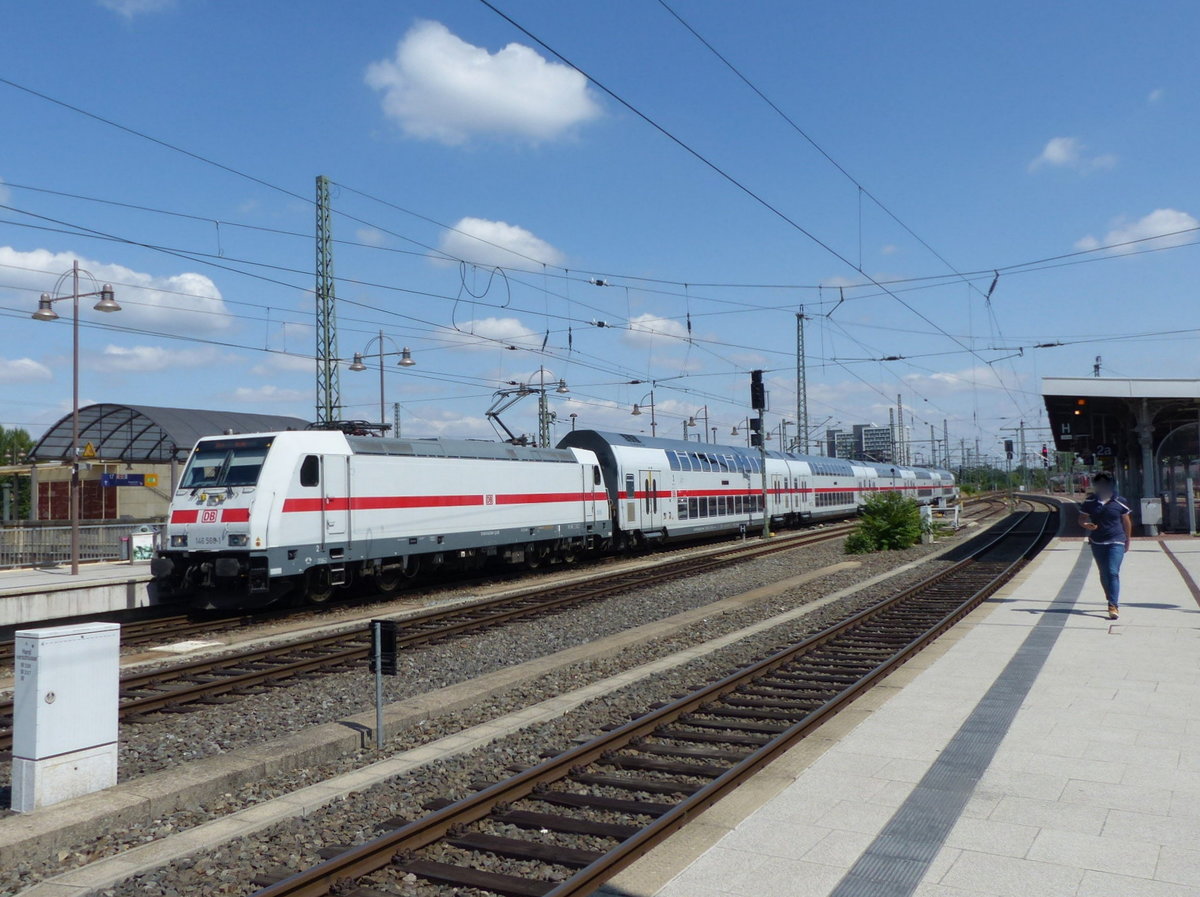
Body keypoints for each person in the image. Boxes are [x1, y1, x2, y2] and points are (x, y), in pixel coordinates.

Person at [1078, 472, 1133, 619]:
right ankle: (1110, 595)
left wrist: (1128, 540)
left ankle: (1113, 605)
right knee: (1103, 573)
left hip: (1116, 541)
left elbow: (1126, 521)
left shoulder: (1120, 501)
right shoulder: (1090, 502)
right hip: (1097, 541)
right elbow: (1081, 519)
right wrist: (1086, 524)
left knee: (1112, 571)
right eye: (1099, 484)